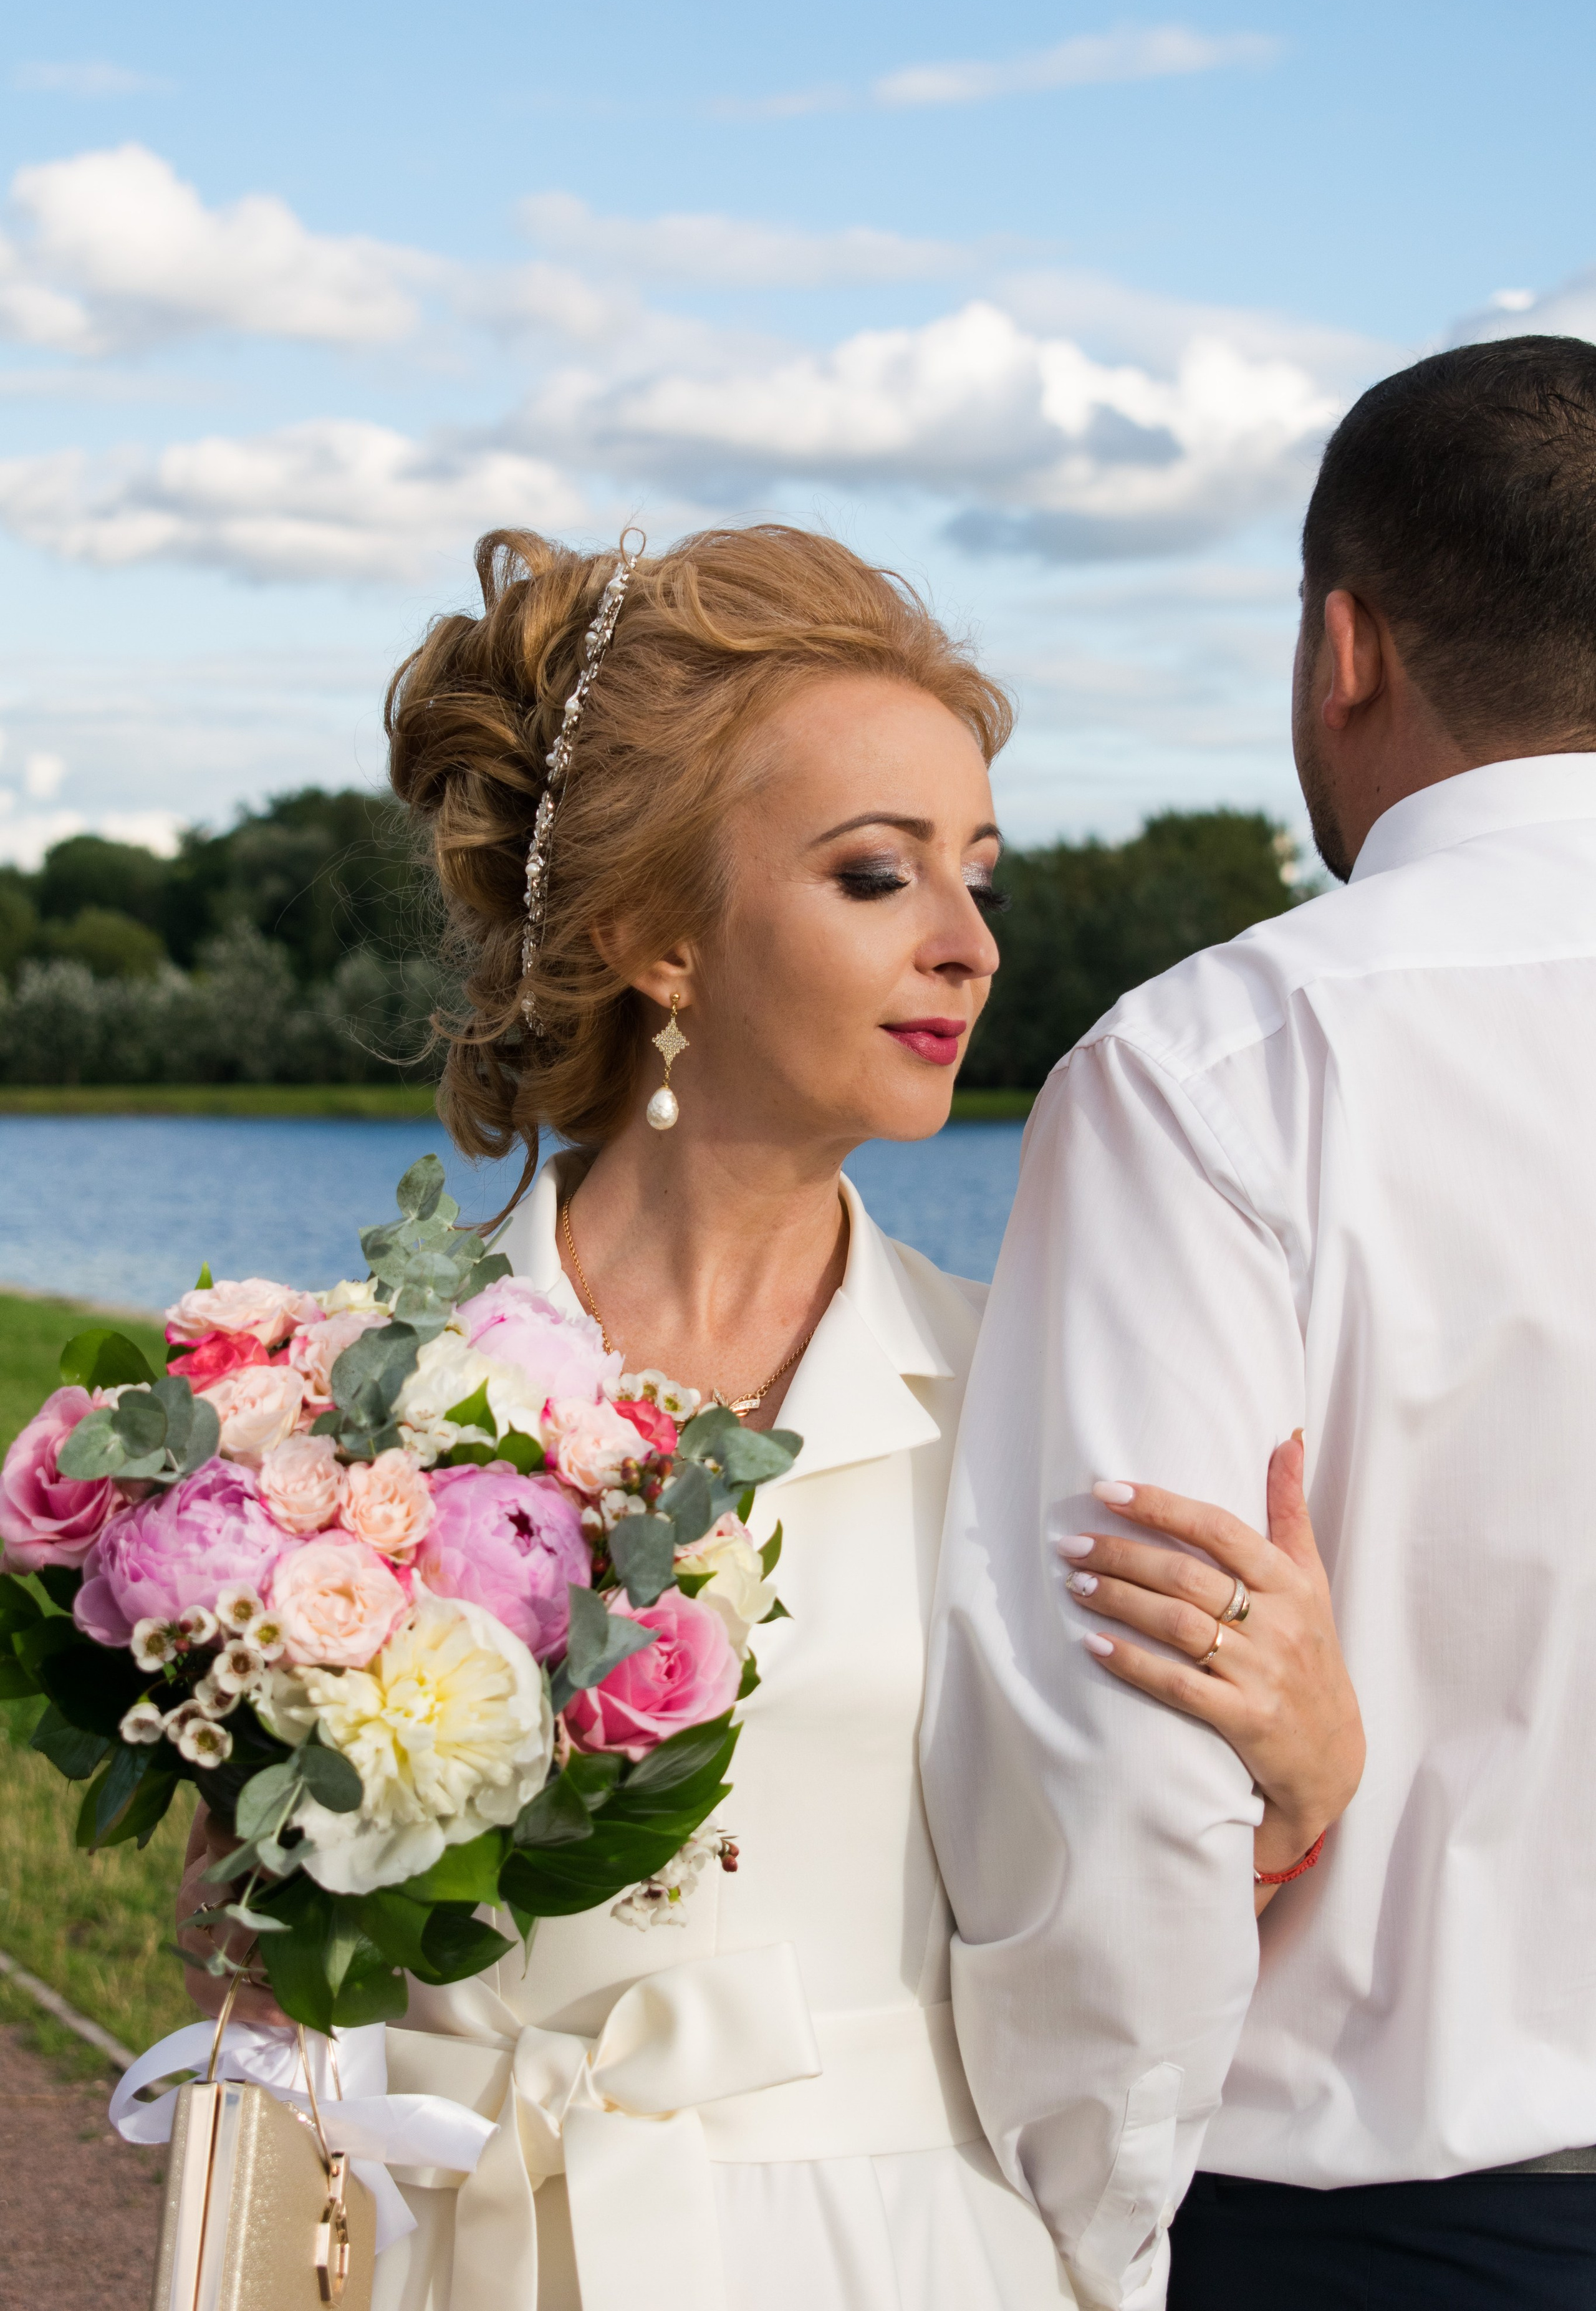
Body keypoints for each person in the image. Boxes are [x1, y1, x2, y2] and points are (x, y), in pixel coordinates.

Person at [177, 522, 1360, 2311]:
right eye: (879, 877)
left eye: (982, 876)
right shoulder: (347, 1407)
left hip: (907, 2256)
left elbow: (1124, 1930)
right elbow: (270, 1936)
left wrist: (1312, 1771)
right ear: (658, 935)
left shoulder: (1038, 1398)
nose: (967, 946)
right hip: (459, 2248)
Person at [921, 335, 1596, 2311]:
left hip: (1373, 2235)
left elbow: (1133, 1743)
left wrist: (1083, 2230)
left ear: (1346, 644)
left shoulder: (1218, 1072)